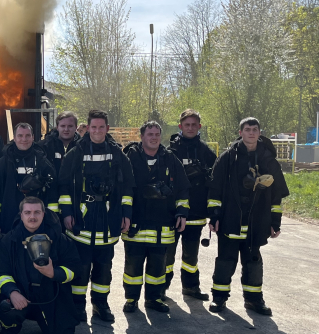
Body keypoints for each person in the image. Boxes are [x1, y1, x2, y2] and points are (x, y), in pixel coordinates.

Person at [207, 117, 289, 315]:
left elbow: (276, 196)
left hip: (257, 222)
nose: (251, 132)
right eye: (247, 129)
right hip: (230, 220)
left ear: (260, 133)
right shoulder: (228, 158)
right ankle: (219, 299)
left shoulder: (269, 161)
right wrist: (214, 216)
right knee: (225, 261)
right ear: (240, 132)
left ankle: (253, 300)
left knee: (253, 262)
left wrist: (275, 221)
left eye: (254, 129)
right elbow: (215, 190)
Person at [59, 110, 135, 323]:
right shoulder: (75, 153)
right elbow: (63, 185)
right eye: (94, 127)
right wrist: (66, 213)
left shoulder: (118, 154)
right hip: (82, 219)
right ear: (87, 128)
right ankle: (78, 306)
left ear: (107, 129)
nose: (98, 131)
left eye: (102, 127)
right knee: (81, 268)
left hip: (108, 219)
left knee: (104, 269)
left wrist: (126, 214)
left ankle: (100, 304)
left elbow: (128, 187)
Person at [0, 197, 82, 334]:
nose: (32, 217)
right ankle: (9, 327)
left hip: (51, 296)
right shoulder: (9, 240)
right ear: (21, 215)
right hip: (22, 295)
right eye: (27, 212)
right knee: (6, 309)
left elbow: (74, 268)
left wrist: (53, 273)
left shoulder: (60, 239)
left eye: (37, 212)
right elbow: (1, 272)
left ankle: (52, 325)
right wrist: (12, 292)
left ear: (44, 214)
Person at [122, 121, 190, 313]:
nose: (154, 138)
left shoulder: (170, 159)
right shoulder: (131, 158)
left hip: (163, 223)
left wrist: (182, 212)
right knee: (133, 266)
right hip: (137, 222)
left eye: (157, 134)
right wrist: (124, 214)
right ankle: (131, 299)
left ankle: (154, 298)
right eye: (150, 134)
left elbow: (183, 188)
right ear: (142, 136)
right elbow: (123, 188)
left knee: (158, 267)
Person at [164, 109, 218, 300]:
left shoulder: (206, 152)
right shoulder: (170, 152)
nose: (190, 128)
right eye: (186, 124)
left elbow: (216, 180)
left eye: (194, 124)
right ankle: (161, 289)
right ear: (180, 127)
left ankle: (191, 288)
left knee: (191, 257)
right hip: (173, 212)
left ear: (199, 127)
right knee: (167, 255)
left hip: (196, 212)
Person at [0, 122, 58, 238]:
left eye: (28, 135)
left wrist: (52, 222)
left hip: (38, 223)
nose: (24, 139)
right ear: (14, 138)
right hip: (9, 220)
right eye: (20, 136)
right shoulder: (2, 164)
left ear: (33, 137)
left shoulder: (43, 163)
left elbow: (53, 195)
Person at [39, 111, 80, 177]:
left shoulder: (82, 146)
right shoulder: (44, 146)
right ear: (57, 127)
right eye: (63, 126)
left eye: (70, 126)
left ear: (76, 127)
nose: (66, 129)